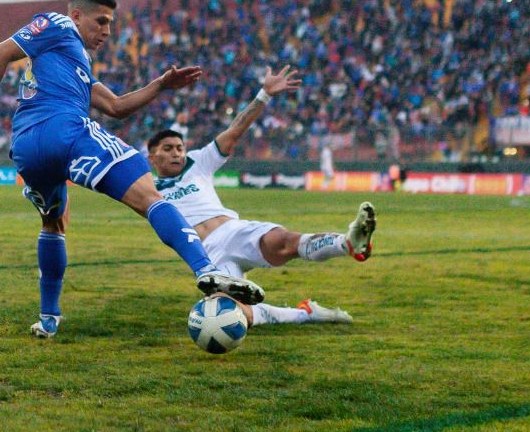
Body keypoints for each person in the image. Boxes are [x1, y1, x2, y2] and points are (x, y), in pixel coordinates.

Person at [0, 0, 264, 339]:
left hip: (26, 148)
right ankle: (206, 268)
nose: (107, 31)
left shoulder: (72, 63)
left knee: (54, 224)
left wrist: (160, 85)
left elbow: (115, 106)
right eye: (101, 21)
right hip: (63, 129)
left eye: (110, 24)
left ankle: (48, 319)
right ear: (76, 16)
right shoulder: (57, 24)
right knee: (150, 196)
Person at [146, 65, 375, 331]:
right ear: (152, 157)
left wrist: (264, 94)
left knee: (285, 241)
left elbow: (235, 130)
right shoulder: (147, 188)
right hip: (206, 255)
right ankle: (306, 313)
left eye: (179, 148)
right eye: (168, 149)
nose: (177, 153)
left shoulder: (198, 161)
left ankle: (347, 243)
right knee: (238, 316)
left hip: (233, 230)